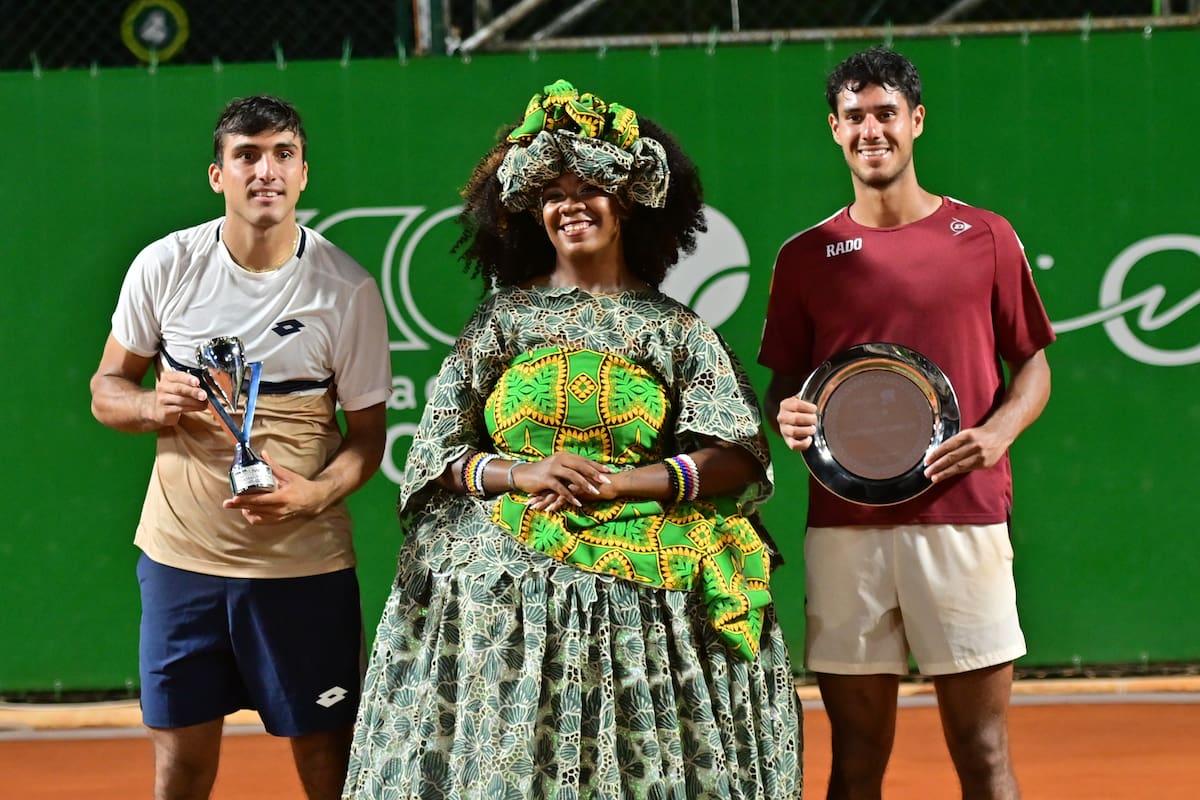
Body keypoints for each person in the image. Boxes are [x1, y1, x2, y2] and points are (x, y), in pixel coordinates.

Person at [343, 79, 802, 799]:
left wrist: (622, 483)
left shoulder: (674, 329)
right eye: (553, 194)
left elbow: (737, 454)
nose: (571, 205)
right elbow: (436, 454)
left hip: (639, 517)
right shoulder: (500, 322)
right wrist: (521, 474)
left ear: (628, 203)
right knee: (473, 574)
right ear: (533, 211)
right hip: (510, 523)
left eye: (590, 188)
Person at [759, 47, 1055, 800]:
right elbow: (786, 389)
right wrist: (788, 415)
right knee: (855, 760)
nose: (872, 130)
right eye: (854, 116)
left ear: (916, 121)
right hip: (845, 532)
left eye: (885, 113)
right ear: (834, 129)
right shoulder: (804, 257)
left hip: (963, 523)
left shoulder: (986, 236)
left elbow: (1033, 365)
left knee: (983, 754)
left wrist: (997, 434)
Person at [89, 95, 391, 800]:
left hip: (304, 568)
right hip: (180, 563)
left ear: (304, 173)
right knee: (181, 766)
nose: (266, 171)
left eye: (283, 154)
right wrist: (148, 404)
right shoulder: (165, 265)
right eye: (246, 155)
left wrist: (313, 495)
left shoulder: (346, 290)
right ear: (217, 175)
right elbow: (107, 388)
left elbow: (368, 439)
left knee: (328, 762)